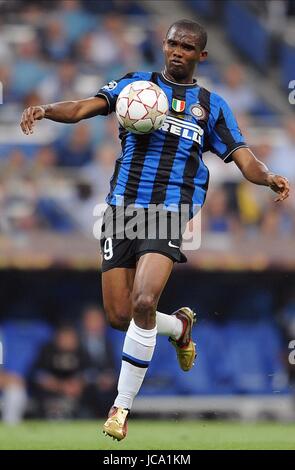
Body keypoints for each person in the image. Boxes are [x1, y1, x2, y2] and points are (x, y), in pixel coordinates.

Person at [20, 19, 290, 440]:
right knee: (121, 316)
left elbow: (242, 155)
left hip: (169, 211)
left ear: (201, 55)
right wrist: (46, 110)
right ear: (164, 45)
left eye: (188, 46)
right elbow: (83, 107)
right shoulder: (135, 86)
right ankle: (179, 327)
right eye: (173, 43)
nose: (178, 50)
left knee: (145, 300)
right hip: (120, 211)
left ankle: (119, 409)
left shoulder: (210, 105)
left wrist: (269, 175)